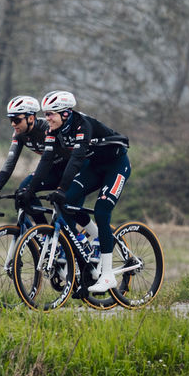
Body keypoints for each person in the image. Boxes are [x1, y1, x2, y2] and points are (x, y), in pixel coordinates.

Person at [19, 90, 130, 293]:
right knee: (66, 203)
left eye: (51, 114)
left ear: (65, 113)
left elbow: (77, 159)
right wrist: (30, 190)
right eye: (46, 113)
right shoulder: (53, 131)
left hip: (116, 166)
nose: (47, 118)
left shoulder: (82, 125)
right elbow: (45, 162)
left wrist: (60, 188)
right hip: (95, 168)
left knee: (102, 211)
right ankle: (98, 237)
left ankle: (107, 276)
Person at [0, 95, 68, 224]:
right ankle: (44, 232)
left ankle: (82, 238)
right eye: (10, 120)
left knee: (68, 210)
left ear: (31, 118)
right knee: (23, 190)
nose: (13, 124)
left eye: (16, 120)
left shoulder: (47, 128)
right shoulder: (19, 134)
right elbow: (10, 162)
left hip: (73, 170)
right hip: (52, 169)